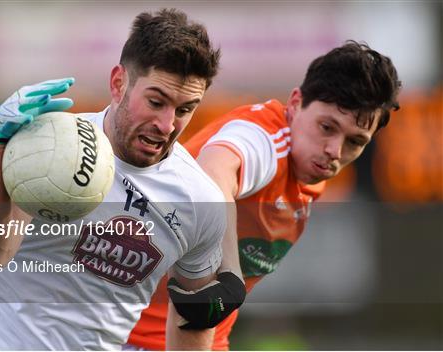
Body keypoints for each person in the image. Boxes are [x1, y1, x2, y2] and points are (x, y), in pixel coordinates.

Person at [0, 9, 227, 350]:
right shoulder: (52, 147)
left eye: (185, 109)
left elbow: (195, 317)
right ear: (118, 83)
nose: (167, 124)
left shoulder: (199, 199)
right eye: (156, 102)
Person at [128, 40, 402, 350]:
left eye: (355, 141)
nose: (334, 151)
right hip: (127, 338)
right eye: (327, 127)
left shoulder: (308, 170)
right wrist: (227, 270)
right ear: (296, 103)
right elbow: (213, 175)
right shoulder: (266, 139)